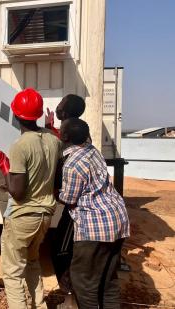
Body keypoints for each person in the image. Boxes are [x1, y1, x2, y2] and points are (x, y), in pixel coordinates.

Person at [0, 88, 62, 309]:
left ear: (15, 115)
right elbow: (55, 177)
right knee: (32, 262)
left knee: (12, 273)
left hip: (23, 216)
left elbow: (17, 192)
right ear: (38, 114)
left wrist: (1, 162)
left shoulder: (20, 146)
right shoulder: (53, 140)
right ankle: (39, 305)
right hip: (44, 216)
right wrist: (50, 128)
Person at [59, 118, 130, 309]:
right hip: (117, 219)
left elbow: (68, 199)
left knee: (84, 283)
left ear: (64, 136)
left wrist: (55, 191)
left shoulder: (72, 164)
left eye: (60, 129)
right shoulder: (92, 150)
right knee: (108, 281)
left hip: (94, 227)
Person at [45, 94, 86, 293]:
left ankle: (69, 294)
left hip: (76, 207)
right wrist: (50, 127)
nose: (57, 107)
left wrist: (53, 192)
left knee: (60, 251)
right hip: (74, 205)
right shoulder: (78, 131)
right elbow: (62, 139)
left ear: (67, 112)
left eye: (60, 105)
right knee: (65, 249)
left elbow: (61, 143)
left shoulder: (74, 140)